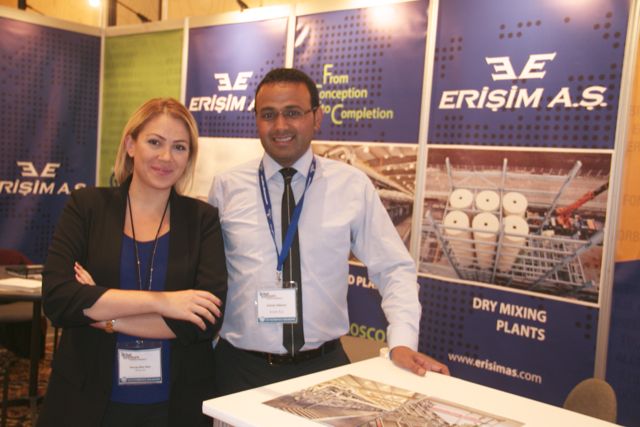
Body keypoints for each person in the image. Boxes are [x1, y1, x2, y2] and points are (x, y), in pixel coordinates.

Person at [208, 68, 448, 396]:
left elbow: (393, 268)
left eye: (293, 112)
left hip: (323, 370)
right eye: (268, 114)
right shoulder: (226, 187)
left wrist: (402, 341)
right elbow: (208, 278)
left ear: (317, 118)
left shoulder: (351, 185)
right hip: (240, 370)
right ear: (257, 120)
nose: (280, 125)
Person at [38, 98, 227, 427]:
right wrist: (165, 302)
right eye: (154, 142)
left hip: (176, 404)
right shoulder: (87, 207)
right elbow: (59, 299)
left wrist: (106, 315)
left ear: (189, 157)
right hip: (87, 399)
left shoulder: (202, 220)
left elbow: (203, 320)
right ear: (130, 145)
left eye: (179, 147)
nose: (166, 157)